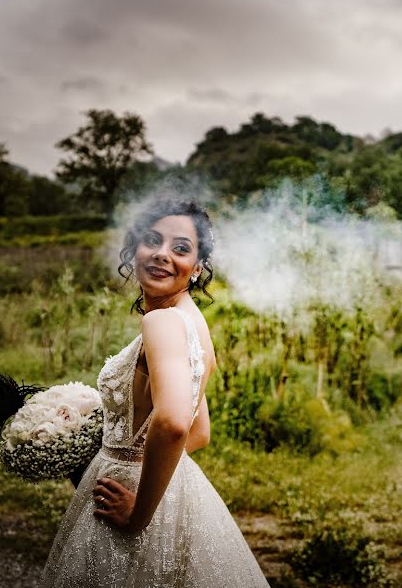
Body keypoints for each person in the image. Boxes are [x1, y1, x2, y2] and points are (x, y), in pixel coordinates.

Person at [41, 200, 269, 587]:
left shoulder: (162, 322)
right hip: (173, 491)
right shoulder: (192, 325)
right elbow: (201, 433)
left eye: (181, 248)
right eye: (152, 240)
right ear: (135, 249)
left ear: (198, 268)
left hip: (135, 498)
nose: (163, 254)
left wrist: (139, 512)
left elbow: (176, 424)